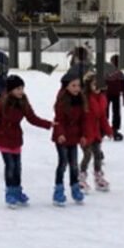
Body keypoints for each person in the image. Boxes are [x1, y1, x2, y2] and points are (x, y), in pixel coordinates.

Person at [0, 74, 52, 208]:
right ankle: (10, 193)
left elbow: (32, 118)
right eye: (18, 88)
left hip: (16, 138)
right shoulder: (2, 102)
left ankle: (17, 191)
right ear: (10, 89)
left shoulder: (23, 101)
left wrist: (49, 124)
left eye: (22, 88)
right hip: (3, 137)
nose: (21, 91)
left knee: (17, 167)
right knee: (10, 166)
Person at [52, 73, 87, 207]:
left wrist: (84, 135)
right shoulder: (61, 101)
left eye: (78, 85)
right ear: (66, 86)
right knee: (63, 163)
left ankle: (75, 187)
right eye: (73, 85)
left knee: (74, 164)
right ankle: (58, 190)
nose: (77, 88)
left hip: (74, 137)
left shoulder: (81, 99)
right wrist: (60, 134)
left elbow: (83, 120)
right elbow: (58, 120)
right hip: (62, 137)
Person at [80, 72, 113, 193]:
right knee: (87, 155)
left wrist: (108, 130)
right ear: (89, 85)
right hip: (84, 132)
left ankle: (98, 178)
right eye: (95, 84)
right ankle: (81, 178)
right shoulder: (84, 98)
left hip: (96, 132)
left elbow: (103, 117)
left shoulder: (102, 98)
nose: (98, 87)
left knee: (98, 155)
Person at [105, 55, 124, 141]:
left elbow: (123, 87)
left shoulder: (121, 74)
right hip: (106, 95)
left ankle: (114, 128)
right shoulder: (106, 73)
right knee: (106, 112)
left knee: (116, 113)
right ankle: (104, 128)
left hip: (115, 95)